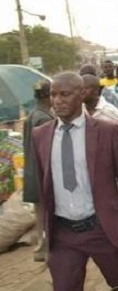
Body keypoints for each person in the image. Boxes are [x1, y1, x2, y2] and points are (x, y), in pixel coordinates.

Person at [30, 72, 118, 291]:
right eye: (53, 95)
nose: (57, 101)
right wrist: (43, 232)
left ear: (82, 94)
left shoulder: (106, 131)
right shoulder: (41, 135)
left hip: (102, 229)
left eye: (64, 94)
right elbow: (43, 189)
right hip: (63, 235)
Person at [23, 81, 56, 262]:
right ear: (47, 95)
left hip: (34, 175)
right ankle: (44, 250)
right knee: (46, 217)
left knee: (40, 216)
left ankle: (41, 249)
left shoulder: (33, 115)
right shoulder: (44, 119)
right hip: (42, 176)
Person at [82, 74, 118, 150]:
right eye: (79, 89)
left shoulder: (111, 112)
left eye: (85, 88)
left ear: (97, 90)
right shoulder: (77, 111)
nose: (81, 92)